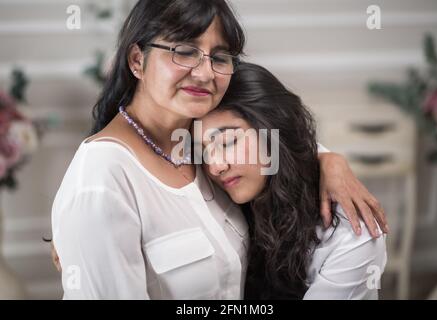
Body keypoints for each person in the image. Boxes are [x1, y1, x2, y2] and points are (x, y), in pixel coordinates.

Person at [51, 0, 387, 299]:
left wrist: (328, 160)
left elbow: (269, 130)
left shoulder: (194, 137)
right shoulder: (101, 181)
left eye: (220, 57)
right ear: (138, 60)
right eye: (183, 50)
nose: (204, 72)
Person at [198, 62, 387, 299]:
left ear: (272, 128)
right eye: (202, 150)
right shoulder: (222, 188)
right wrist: (328, 159)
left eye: (227, 142)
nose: (215, 167)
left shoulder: (352, 235)